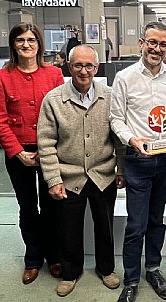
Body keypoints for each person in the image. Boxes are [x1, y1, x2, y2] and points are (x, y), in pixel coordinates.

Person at [37, 45, 126, 297]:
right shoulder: (53, 100)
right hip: (68, 177)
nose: (84, 71)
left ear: (96, 68)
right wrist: (53, 179)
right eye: (78, 65)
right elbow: (45, 143)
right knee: (68, 228)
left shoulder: (110, 97)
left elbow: (119, 139)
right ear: (68, 66)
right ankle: (70, 272)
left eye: (89, 66)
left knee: (105, 225)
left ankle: (106, 269)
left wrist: (121, 169)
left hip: (103, 174)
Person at [110, 21, 166, 302]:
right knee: (136, 223)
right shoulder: (125, 78)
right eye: (152, 42)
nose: (156, 48)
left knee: (157, 219)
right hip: (138, 159)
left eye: (162, 44)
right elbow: (116, 118)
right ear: (141, 43)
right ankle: (131, 280)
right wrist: (132, 140)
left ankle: (153, 268)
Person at [0, 22, 65, 285]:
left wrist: (50, 150)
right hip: (18, 152)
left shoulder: (54, 74)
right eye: (20, 40)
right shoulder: (2, 77)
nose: (26, 44)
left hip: (50, 150)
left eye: (31, 40)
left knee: (52, 205)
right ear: (13, 44)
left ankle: (54, 256)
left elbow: (61, 114)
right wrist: (17, 151)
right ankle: (33, 258)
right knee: (28, 207)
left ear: (39, 44)